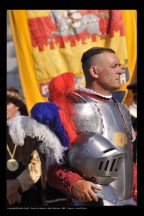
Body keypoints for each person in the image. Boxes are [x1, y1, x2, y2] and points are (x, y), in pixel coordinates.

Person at [46, 47, 136, 206]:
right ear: (94, 71)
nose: (121, 71)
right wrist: (75, 183)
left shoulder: (121, 109)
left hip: (127, 201)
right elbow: (51, 165)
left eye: (120, 66)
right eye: (114, 66)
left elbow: (126, 158)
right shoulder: (71, 108)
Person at [7, 87, 46, 206]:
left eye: (7, 103)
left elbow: (38, 162)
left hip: (29, 193)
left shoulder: (30, 129)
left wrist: (17, 184)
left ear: (17, 106)